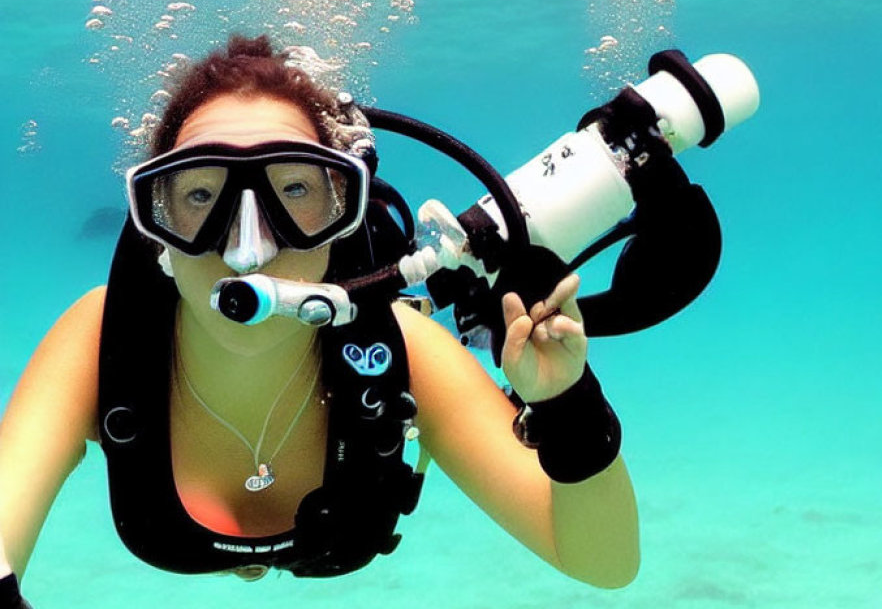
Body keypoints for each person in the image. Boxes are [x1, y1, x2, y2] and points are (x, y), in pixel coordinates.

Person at [0, 35, 639, 602]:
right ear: (158, 226)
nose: (248, 247)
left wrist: (567, 405)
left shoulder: (405, 351)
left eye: (296, 191)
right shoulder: (103, 337)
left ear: (343, 213)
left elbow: (602, 562)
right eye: (202, 195)